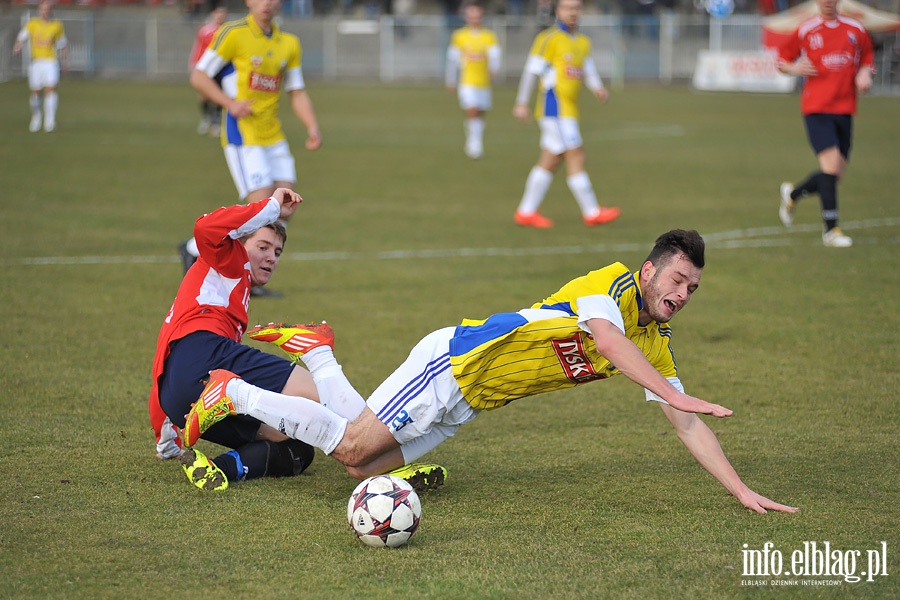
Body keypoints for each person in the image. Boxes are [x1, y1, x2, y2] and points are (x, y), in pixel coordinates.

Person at [185, 229, 798, 514]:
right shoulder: (606, 288)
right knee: (350, 444)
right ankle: (232, 390)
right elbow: (606, 340)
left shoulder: (656, 342)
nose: (685, 292)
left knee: (359, 464)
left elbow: (685, 422)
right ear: (647, 271)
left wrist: (740, 489)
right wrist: (669, 390)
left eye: (693, 286)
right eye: (677, 279)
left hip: (474, 401)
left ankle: (317, 353)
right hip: (457, 362)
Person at [151, 188, 445, 492]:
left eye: (277, 252)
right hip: (208, 358)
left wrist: (167, 442)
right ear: (239, 241)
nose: (271, 258)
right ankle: (391, 469)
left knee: (297, 446)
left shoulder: (209, 294)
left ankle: (221, 468)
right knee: (324, 393)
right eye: (263, 247)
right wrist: (272, 206)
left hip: (176, 397)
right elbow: (205, 227)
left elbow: (164, 372)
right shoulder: (226, 258)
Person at [182, 0, 322, 297]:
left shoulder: (289, 43)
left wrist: (311, 126)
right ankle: (207, 254)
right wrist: (230, 103)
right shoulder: (233, 33)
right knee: (262, 209)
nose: (267, 4)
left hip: (274, 136)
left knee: (285, 207)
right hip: (243, 135)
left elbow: (296, 91)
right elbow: (199, 76)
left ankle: (210, 254)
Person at [512, 0, 620, 229]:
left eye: (576, 8)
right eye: (568, 8)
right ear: (558, 11)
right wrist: (521, 102)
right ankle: (591, 212)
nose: (573, 12)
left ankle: (526, 211)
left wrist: (598, 87)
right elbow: (531, 71)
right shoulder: (549, 38)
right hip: (555, 109)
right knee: (576, 154)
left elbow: (587, 68)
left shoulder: (581, 41)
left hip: (569, 109)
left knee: (551, 159)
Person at [776, 0, 874, 248]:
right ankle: (831, 230)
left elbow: (867, 57)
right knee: (830, 169)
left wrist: (865, 73)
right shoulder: (806, 29)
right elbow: (781, 60)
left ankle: (793, 194)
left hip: (845, 110)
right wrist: (794, 67)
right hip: (816, 109)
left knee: (834, 175)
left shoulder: (855, 29)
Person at [445, 1, 501, 160]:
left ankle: (475, 138)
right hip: (467, 81)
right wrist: (450, 80)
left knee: (480, 112)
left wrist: (494, 68)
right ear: (466, 17)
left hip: (483, 81)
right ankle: (474, 143)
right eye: (471, 16)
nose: (475, 19)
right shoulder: (460, 36)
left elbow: (495, 55)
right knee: (472, 109)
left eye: (477, 16)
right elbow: (452, 60)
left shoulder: (489, 36)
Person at [13, 0, 68, 133]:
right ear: (39, 10)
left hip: (51, 61)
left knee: (51, 89)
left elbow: (62, 44)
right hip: (36, 62)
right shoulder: (33, 24)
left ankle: (50, 120)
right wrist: (18, 46)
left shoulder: (57, 25)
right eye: (43, 9)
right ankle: (36, 116)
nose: (45, 11)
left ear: (51, 10)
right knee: (36, 92)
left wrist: (66, 61)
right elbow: (22, 37)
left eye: (47, 9)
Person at [188, 4, 228, 137]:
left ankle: (217, 122)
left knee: (218, 94)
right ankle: (206, 118)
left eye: (223, 13)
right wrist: (194, 62)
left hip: (220, 67)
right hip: (205, 67)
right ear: (213, 14)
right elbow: (198, 47)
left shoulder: (227, 30)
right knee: (203, 96)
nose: (221, 16)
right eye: (218, 12)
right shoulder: (205, 30)